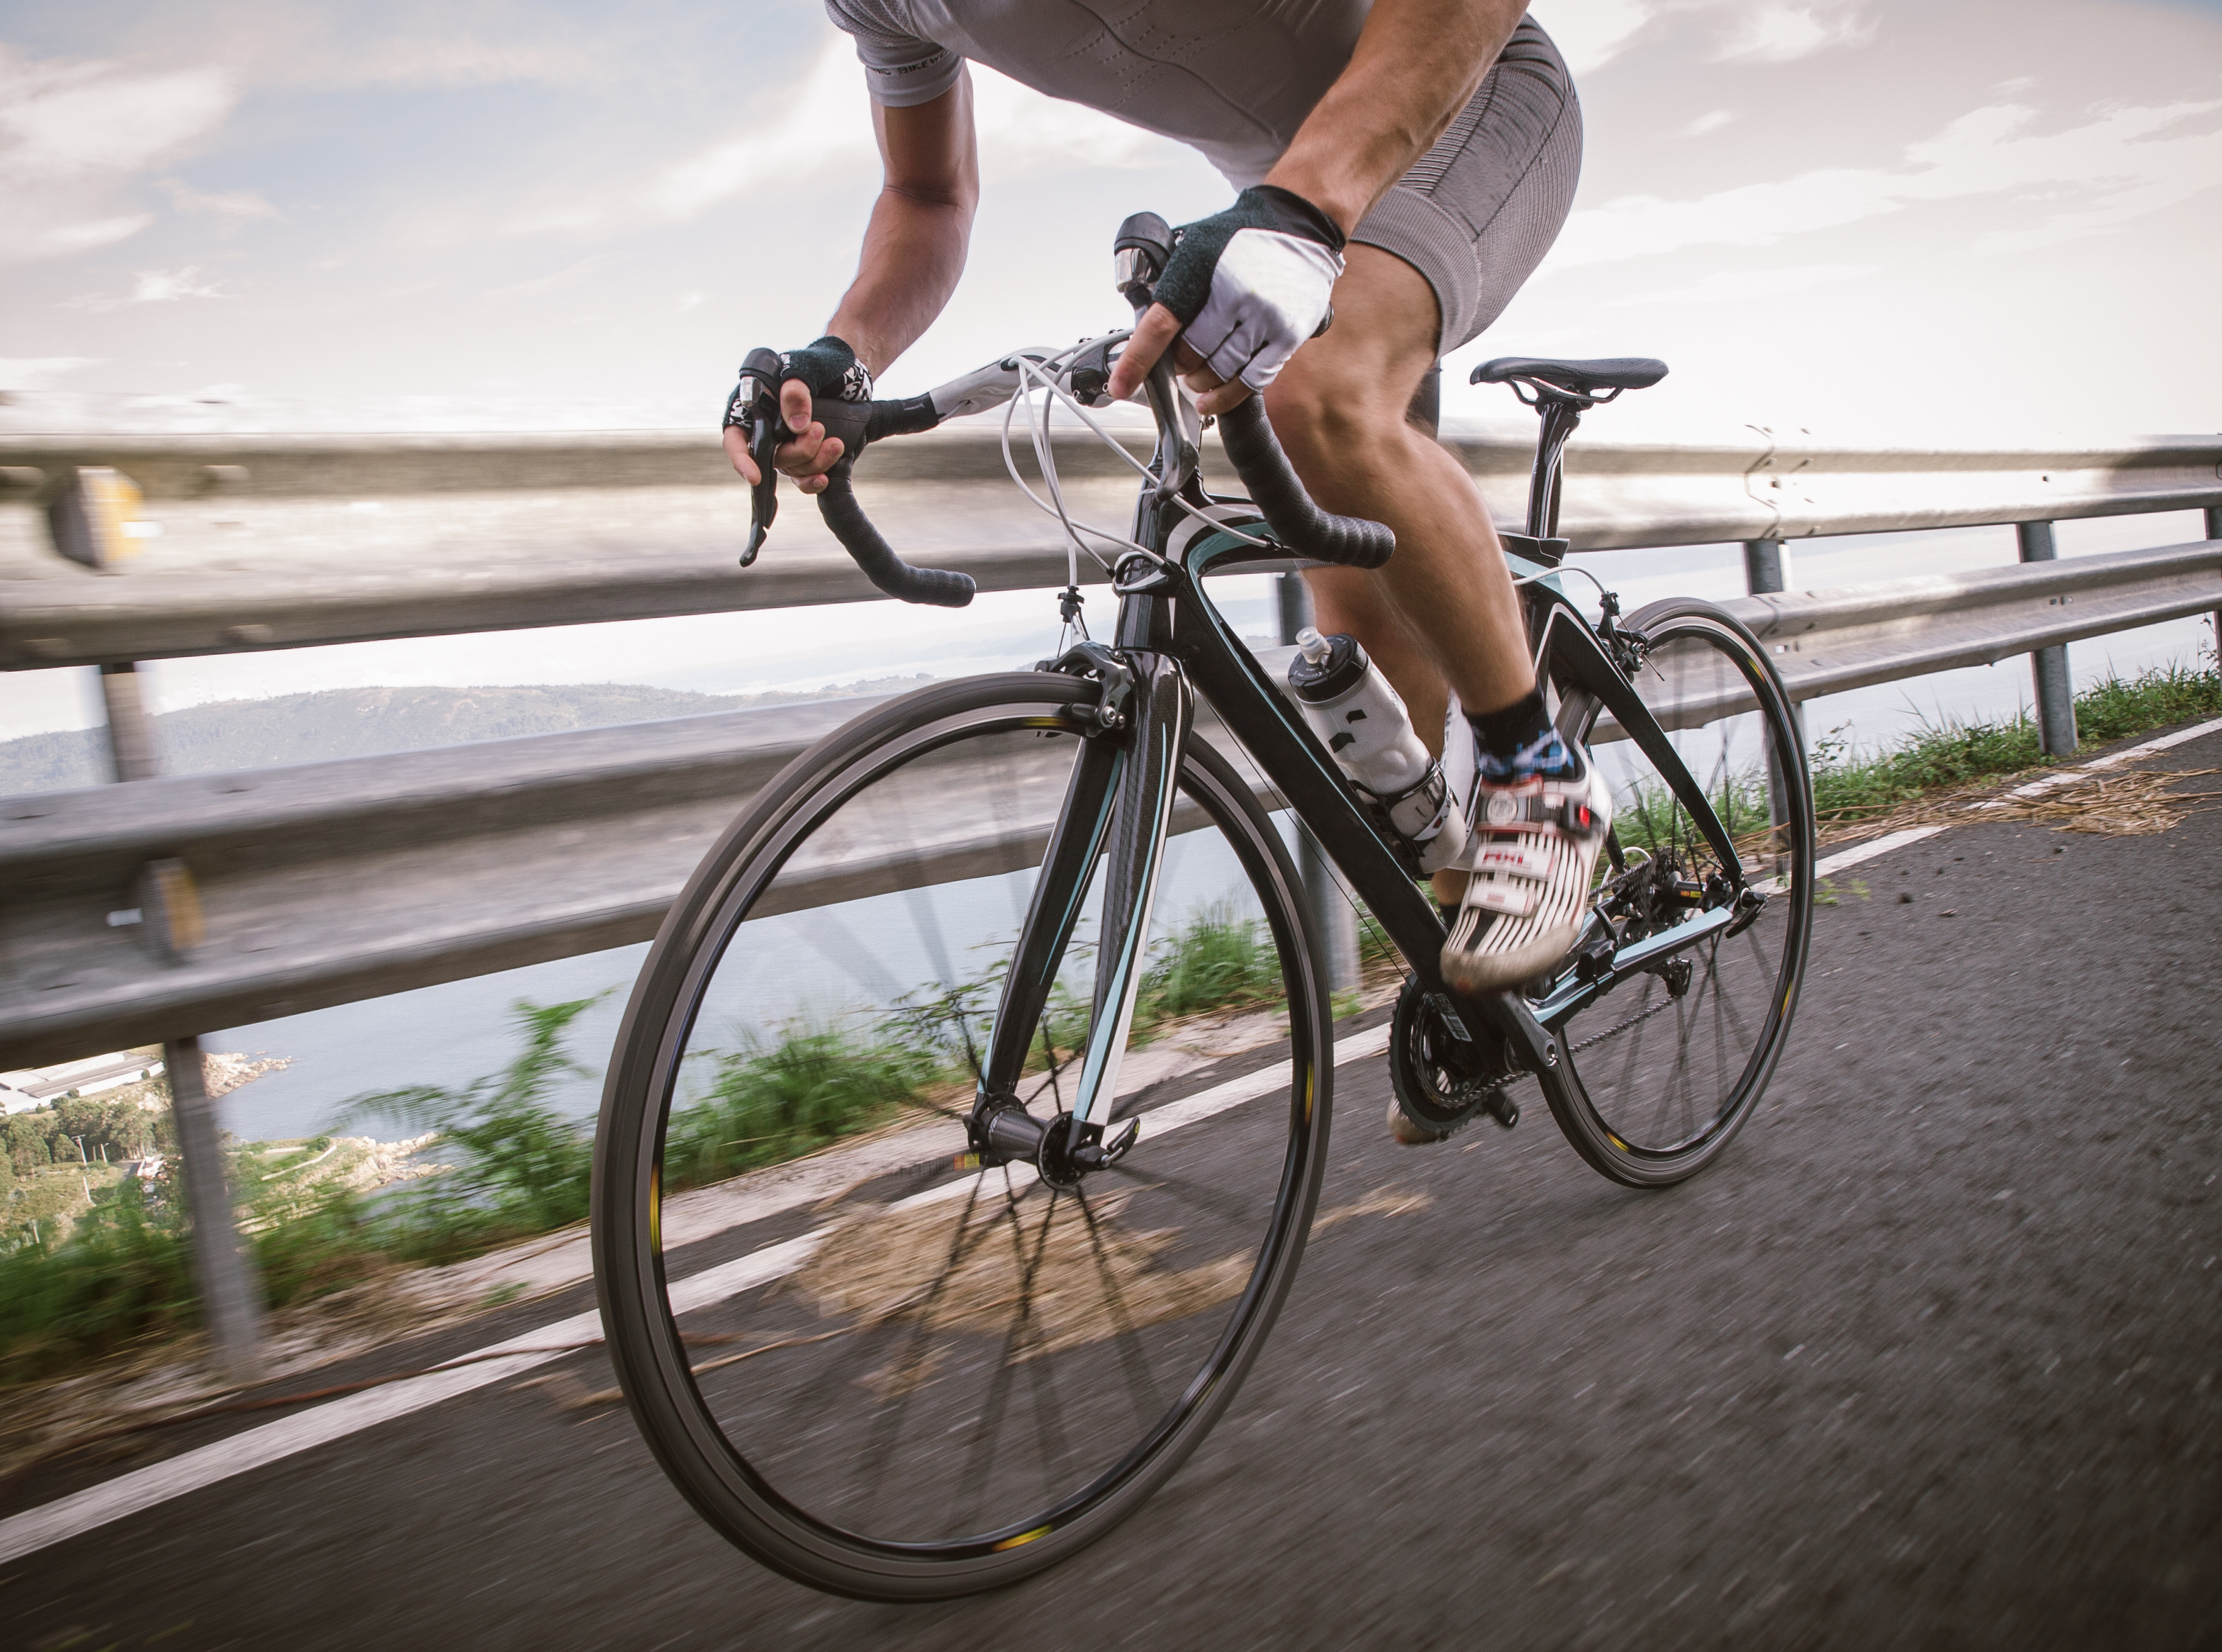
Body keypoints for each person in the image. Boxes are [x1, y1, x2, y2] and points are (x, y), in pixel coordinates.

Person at [725, 2, 1609, 1143]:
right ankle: (1477, 977)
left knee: (1320, 395)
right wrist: (844, 351)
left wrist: (1303, 207)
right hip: (1279, 182)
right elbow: (927, 197)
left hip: (1459, 91)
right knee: (1362, 694)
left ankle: (1542, 785)